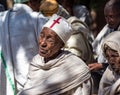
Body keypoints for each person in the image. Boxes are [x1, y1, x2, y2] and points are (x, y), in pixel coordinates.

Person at [17, 14, 92, 95]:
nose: (42, 43)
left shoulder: (77, 68)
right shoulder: (36, 62)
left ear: (61, 45)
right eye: (41, 36)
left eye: (50, 39)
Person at [0, 0, 47, 95]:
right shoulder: (38, 19)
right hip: (32, 84)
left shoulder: (2, 18)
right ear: (33, 2)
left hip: (5, 84)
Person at [88, 0, 120, 93]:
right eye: (106, 16)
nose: (108, 20)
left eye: (111, 16)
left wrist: (101, 65)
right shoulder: (108, 28)